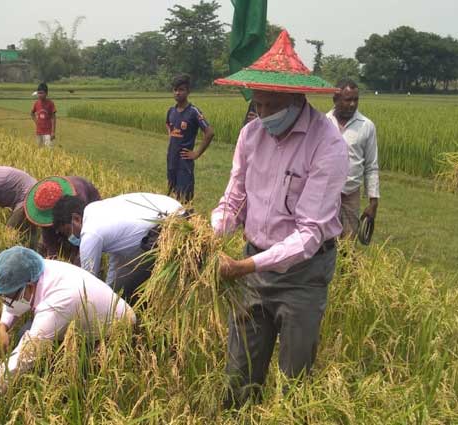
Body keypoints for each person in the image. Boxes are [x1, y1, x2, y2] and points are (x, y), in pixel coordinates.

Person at [211, 30, 348, 407]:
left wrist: (244, 266)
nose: (264, 114)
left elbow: (308, 235)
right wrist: (210, 234)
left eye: (272, 105)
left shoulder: (327, 144)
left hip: (302, 275)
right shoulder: (250, 135)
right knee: (239, 374)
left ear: (296, 98)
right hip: (252, 268)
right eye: (258, 105)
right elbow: (234, 200)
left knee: (295, 378)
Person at [0, 246, 135, 403]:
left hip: (116, 332)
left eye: (9, 298)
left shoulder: (56, 304)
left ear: (29, 286)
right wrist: (3, 325)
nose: (6, 303)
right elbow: (12, 293)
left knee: (68, 380)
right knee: (24, 334)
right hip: (86, 317)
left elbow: (22, 358)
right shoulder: (36, 269)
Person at [51, 192, 183, 304]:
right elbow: (118, 257)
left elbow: (88, 283)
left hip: (170, 226)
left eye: (68, 231)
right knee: (119, 289)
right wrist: (111, 292)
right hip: (175, 208)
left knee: (142, 284)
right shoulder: (93, 209)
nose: (71, 237)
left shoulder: (90, 234)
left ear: (76, 218)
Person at [326, 79, 379, 238]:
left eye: (356, 99)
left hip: (350, 194)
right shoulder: (324, 123)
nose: (352, 104)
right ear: (335, 99)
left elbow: (371, 166)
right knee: (325, 242)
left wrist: (373, 202)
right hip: (325, 194)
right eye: (348, 99)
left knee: (348, 244)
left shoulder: (366, 125)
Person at [22, 176, 101, 264]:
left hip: (84, 211)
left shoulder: (78, 196)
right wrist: (51, 255)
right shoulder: (42, 202)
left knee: (80, 247)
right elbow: (47, 234)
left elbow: (81, 230)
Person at [165, 74, 215, 202]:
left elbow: (209, 132)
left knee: (185, 199)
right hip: (171, 160)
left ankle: (188, 220)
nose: (177, 93)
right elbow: (168, 125)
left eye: (181, 89)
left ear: (188, 91)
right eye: (175, 90)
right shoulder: (171, 111)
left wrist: (196, 153)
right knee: (172, 196)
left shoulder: (193, 112)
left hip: (184, 162)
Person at [30, 82, 56, 148]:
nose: (40, 95)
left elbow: (53, 118)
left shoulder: (50, 103)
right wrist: (36, 122)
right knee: (39, 149)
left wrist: (53, 132)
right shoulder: (36, 103)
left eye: (41, 93)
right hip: (39, 132)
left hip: (48, 132)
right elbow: (32, 113)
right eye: (38, 93)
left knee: (49, 150)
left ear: (46, 93)